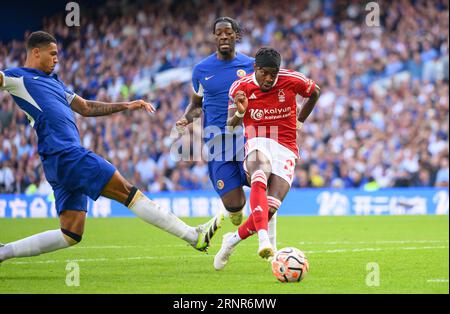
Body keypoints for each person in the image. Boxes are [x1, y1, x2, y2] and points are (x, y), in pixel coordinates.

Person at [0, 31, 222, 265]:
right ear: (36, 52)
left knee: (71, 232)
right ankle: (193, 236)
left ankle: (4, 252)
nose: (57, 59)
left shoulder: (54, 83)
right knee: (127, 191)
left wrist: (126, 105)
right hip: (66, 155)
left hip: (59, 162)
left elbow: (85, 107)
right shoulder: (19, 78)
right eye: (52, 54)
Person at [175, 17, 279, 249]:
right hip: (217, 143)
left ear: (236, 36)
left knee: (263, 185)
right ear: (214, 37)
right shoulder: (201, 70)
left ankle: (270, 245)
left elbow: (266, 96)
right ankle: (233, 214)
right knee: (234, 205)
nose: (223, 36)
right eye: (219, 33)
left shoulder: (252, 66)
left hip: (248, 138)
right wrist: (186, 118)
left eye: (228, 33)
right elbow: (196, 105)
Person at [214, 47, 321, 269]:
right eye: (265, 73)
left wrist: (300, 121)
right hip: (257, 140)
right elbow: (229, 124)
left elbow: (315, 92)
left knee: (270, 208)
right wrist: (241, 112)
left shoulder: (291, 79)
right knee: (259, 174)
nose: (270, 79)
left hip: (286, 147)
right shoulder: (240, 87)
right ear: (255, 68)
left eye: (274, 73)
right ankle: (264, 240)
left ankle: (232, 240)